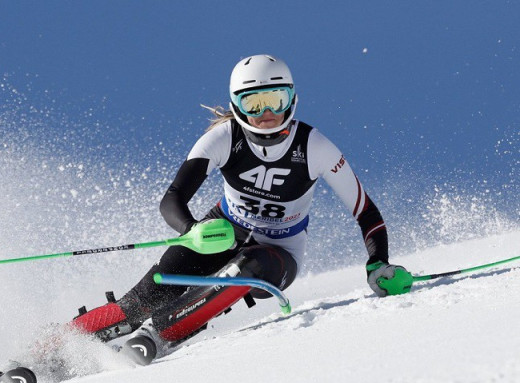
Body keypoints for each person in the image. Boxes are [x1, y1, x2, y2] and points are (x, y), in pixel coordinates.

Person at [69, 54, 409, 362]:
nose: (267, 114)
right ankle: (57, 345)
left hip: (278, 251)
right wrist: (191, 231)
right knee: (142, 299)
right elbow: (172, 199)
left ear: (293, 99)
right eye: (254, 103)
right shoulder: (224, 138)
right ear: (237, 106)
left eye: (276, 101)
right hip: (220, 232)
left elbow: (365, 211)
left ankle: (158, 334)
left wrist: (377, 262)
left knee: (246, 267)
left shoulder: (314, 146)